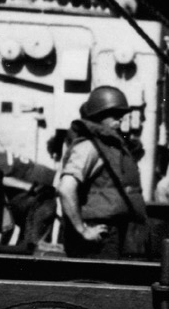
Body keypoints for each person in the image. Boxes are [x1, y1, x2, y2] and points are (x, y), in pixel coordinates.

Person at [56, 87, 148, 259]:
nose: (120, 119)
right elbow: (66, 189)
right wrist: (82, 229)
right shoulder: (89, 147)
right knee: (96, 284)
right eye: (114, 114)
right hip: (96, 237)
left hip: (112, 232)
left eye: (122, 114)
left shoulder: (109, 146)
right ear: (99, 115)